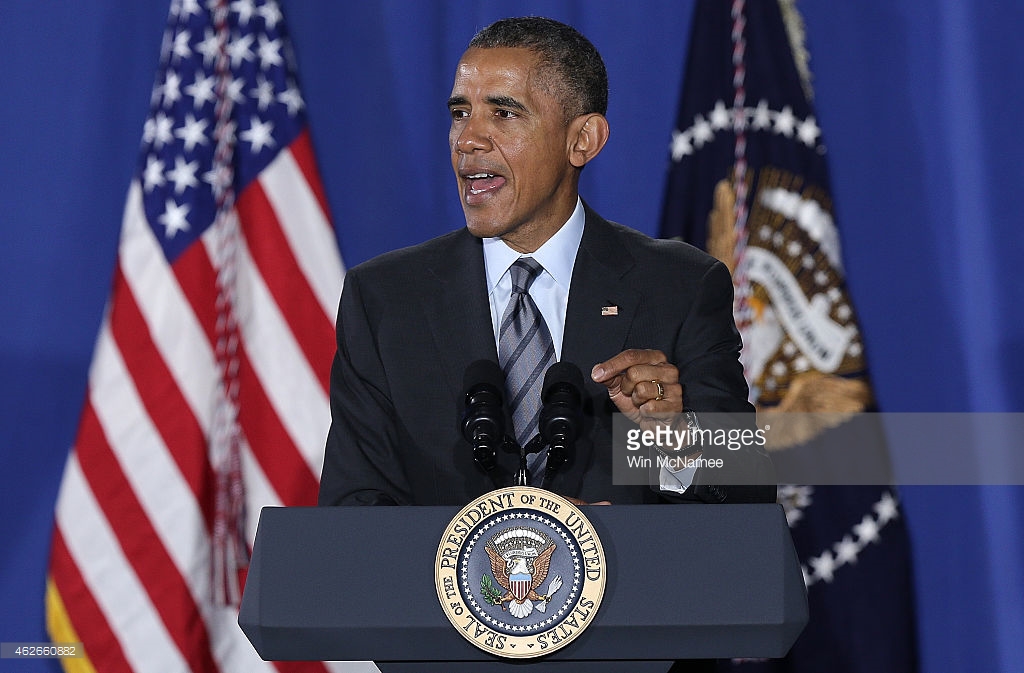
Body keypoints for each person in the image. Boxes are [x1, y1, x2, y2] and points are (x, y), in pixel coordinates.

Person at [318, 16, 773, 508]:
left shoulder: (680, 286)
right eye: (460, 113)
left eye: (503, 113)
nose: (468, 139)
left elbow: (750, 497)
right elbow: (352, 510)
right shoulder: (384, 298)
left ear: (583, 140)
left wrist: (675, 442)